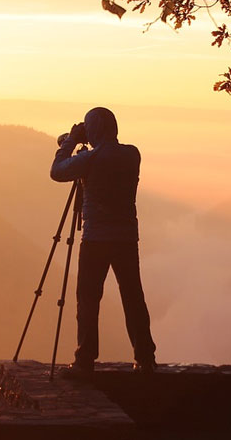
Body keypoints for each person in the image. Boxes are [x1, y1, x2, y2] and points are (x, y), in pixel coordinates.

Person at [50, 107, 157, 378]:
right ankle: (145, 358)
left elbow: (57, 171)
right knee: (133, 297)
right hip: (126, 238)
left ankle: (84, 360)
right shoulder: (132, 154)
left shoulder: (90, 158)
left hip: (95, 239)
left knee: (88, 299)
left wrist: (71, 140)